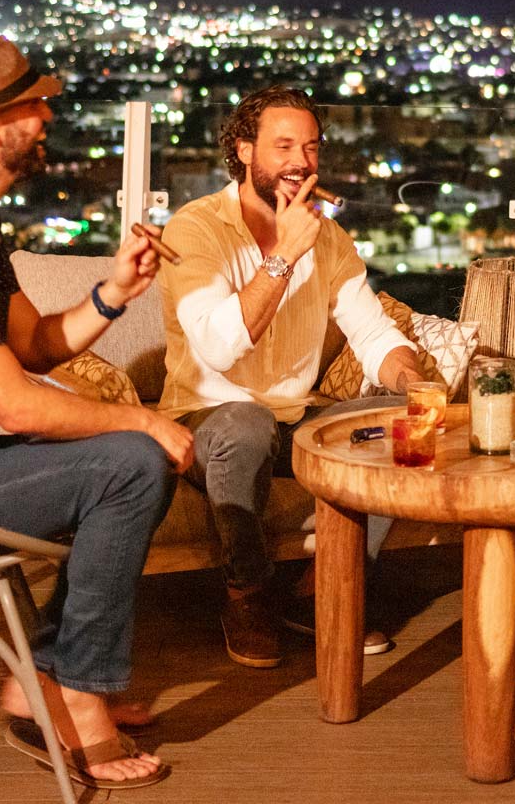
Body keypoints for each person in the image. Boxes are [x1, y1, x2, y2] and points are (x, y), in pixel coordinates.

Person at [0, 35, 195, 789]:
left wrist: (114, 292)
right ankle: (76, 691)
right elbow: (13, 402)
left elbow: (35, 346)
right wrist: (143, 420)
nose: (47, 116)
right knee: (133, 462)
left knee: (134, 462)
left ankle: (41, 679)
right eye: (33, 104)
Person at [157, 85, 427, 667]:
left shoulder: (327, 239)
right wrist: (281, 256)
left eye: (309, 147)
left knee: (399, 426)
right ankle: (246, 595)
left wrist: (411, 381)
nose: (300, 162)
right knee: (247, 424)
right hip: (207, 421)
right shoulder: (193, 229)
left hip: (295, 419)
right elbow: (220, 347)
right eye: (282, 146)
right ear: (244, 150)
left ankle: (318, 592)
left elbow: (373, 333)